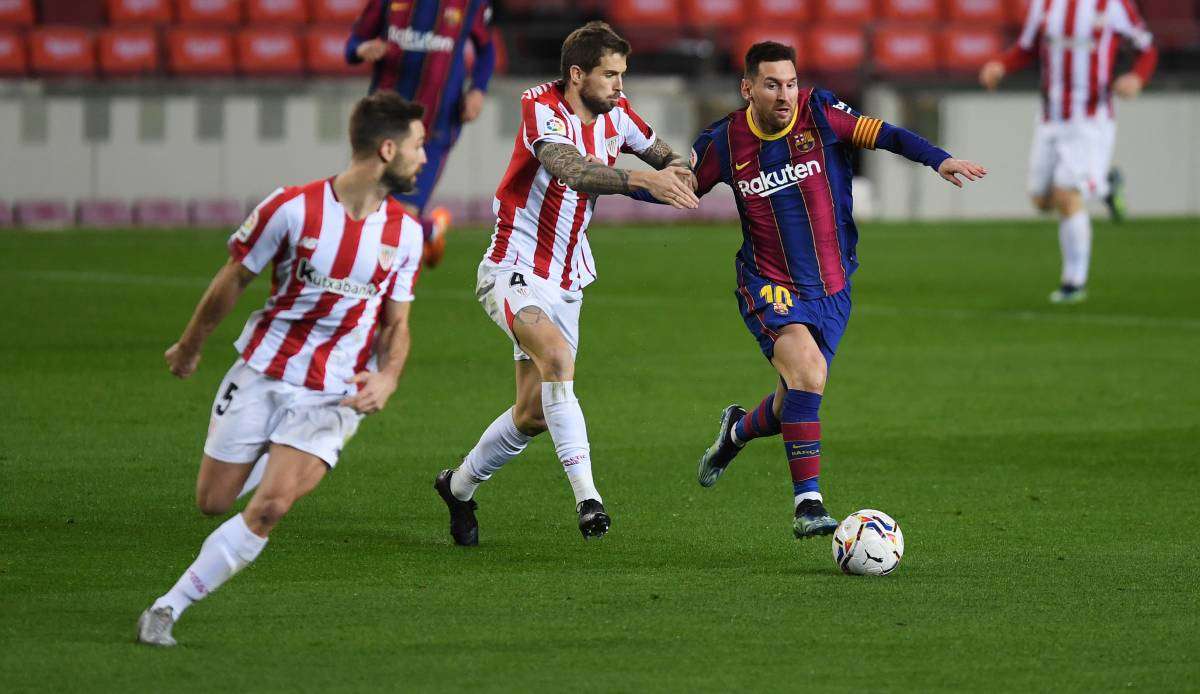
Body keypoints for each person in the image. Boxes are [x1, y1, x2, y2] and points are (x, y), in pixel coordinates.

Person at [136, 93, 428, 647]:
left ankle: (167, 608)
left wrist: (388, 377)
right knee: (213, 502)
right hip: (264, 370)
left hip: (334, 393)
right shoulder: (291, 208)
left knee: (268, 507)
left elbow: (396, 325)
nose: (424, 158)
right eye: (417, 146)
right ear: (387, 149)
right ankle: (267, 452)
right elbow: (234, 279)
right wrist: (190, 346)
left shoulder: (406, 234)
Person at [688, 42, 986, 538]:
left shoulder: (822, 113)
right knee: (807, 372)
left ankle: (736, 431)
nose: (784, 94)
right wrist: (618, 180)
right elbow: (680, 186)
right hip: (769, 283)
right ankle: (809, 504)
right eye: (770, 84)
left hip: (833, 286)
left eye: (789, 83)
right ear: (747, 88)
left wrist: (940, 160)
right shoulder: (723, 142)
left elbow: (885, 134)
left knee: (796, 398)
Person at [433, 21, 698, 545]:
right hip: (513, 267)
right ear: (577, 75)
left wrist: (681, 170)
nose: (621, 87)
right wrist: (645, 180)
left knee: (531, 415)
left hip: (568, 276)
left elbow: (663, 153)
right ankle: (588, 499)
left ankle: (458, 486)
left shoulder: (615, 115)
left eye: (623, 75)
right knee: (557, 360)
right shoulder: (541, 107)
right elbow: (571, 170)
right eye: (610, 75)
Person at [979, 0, 1157, 304]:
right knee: (1041, 199)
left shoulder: (1113, 5)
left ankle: (1073, 283)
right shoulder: (1045, 4)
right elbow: (1027, 48)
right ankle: (1103, 185)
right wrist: (1001, 65)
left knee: (1066, 195)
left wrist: (1137, 77)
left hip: (1089, 120)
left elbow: (1147, 48)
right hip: (1050, 118)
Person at [346, 0, 497, 268]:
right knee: (364, 205)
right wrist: (362, 48)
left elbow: (486, 50)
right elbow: (353, 43)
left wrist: (478, 90)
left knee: (400, 214)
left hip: (436, 125)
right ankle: (429, 229)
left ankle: (387, 291)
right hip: (383, 122)